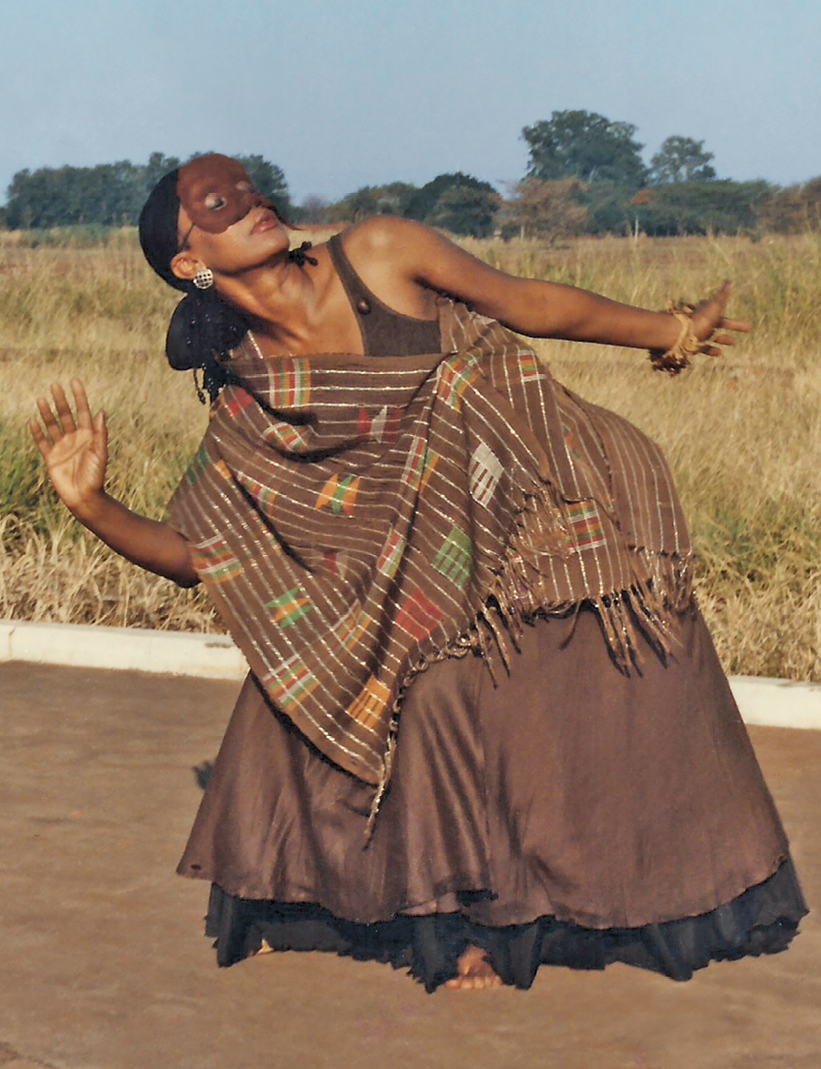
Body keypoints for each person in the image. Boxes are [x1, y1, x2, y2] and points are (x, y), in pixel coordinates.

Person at [31, 154, 806, 992]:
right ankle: (456, 918)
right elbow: (202, 555)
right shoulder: (255, 392)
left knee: (570, 689)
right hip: (437, 552)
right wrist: (91, 505)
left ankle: (601, 894)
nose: (252, 205)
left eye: (249, 189)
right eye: (219, 206)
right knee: (347, 671)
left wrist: (672, 329)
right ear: (191, 263)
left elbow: (528, 303)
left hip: (547, 483)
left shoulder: (380, 250)